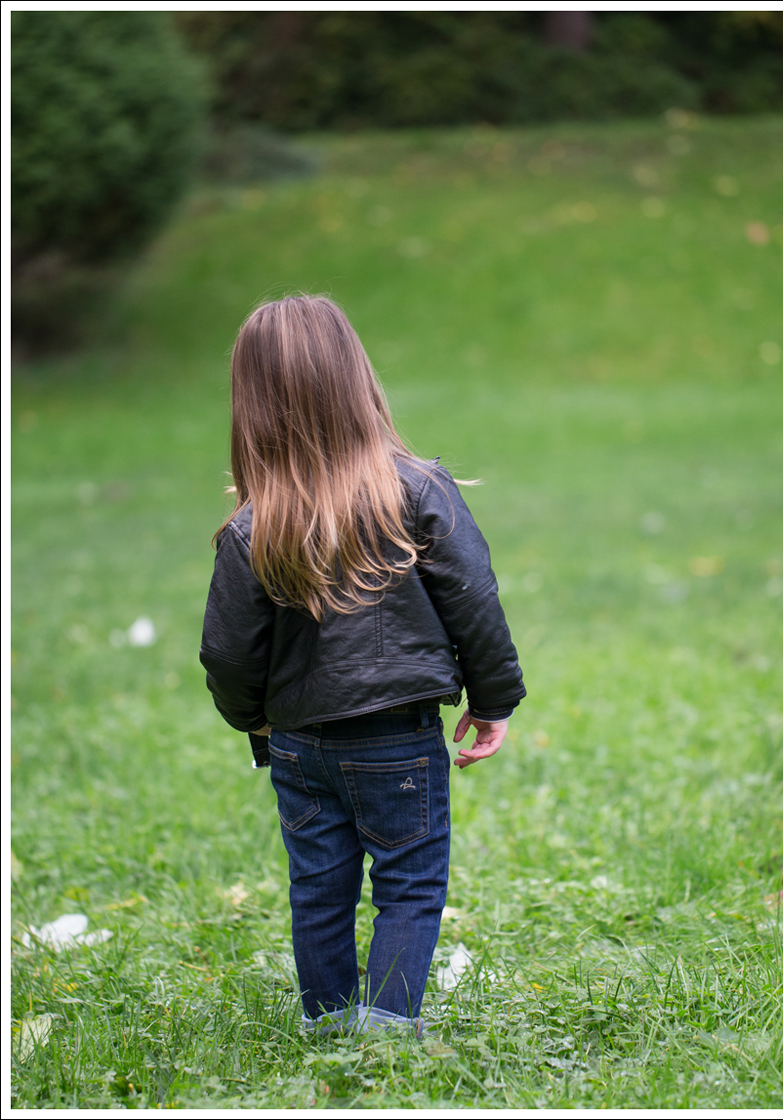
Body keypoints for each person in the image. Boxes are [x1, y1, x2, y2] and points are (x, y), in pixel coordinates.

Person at [200, 295, 525, 1036]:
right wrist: (494, 697)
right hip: (397, 739)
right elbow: (473, 597)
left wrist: (253, 718)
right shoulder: (416, 492)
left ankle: (327, 1025)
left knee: (318, 889)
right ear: (357, 381)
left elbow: (226, 650)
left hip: (300, 745)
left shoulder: (252, 527)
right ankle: (383, 1037)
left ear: (252, 404)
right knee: (408, 887)